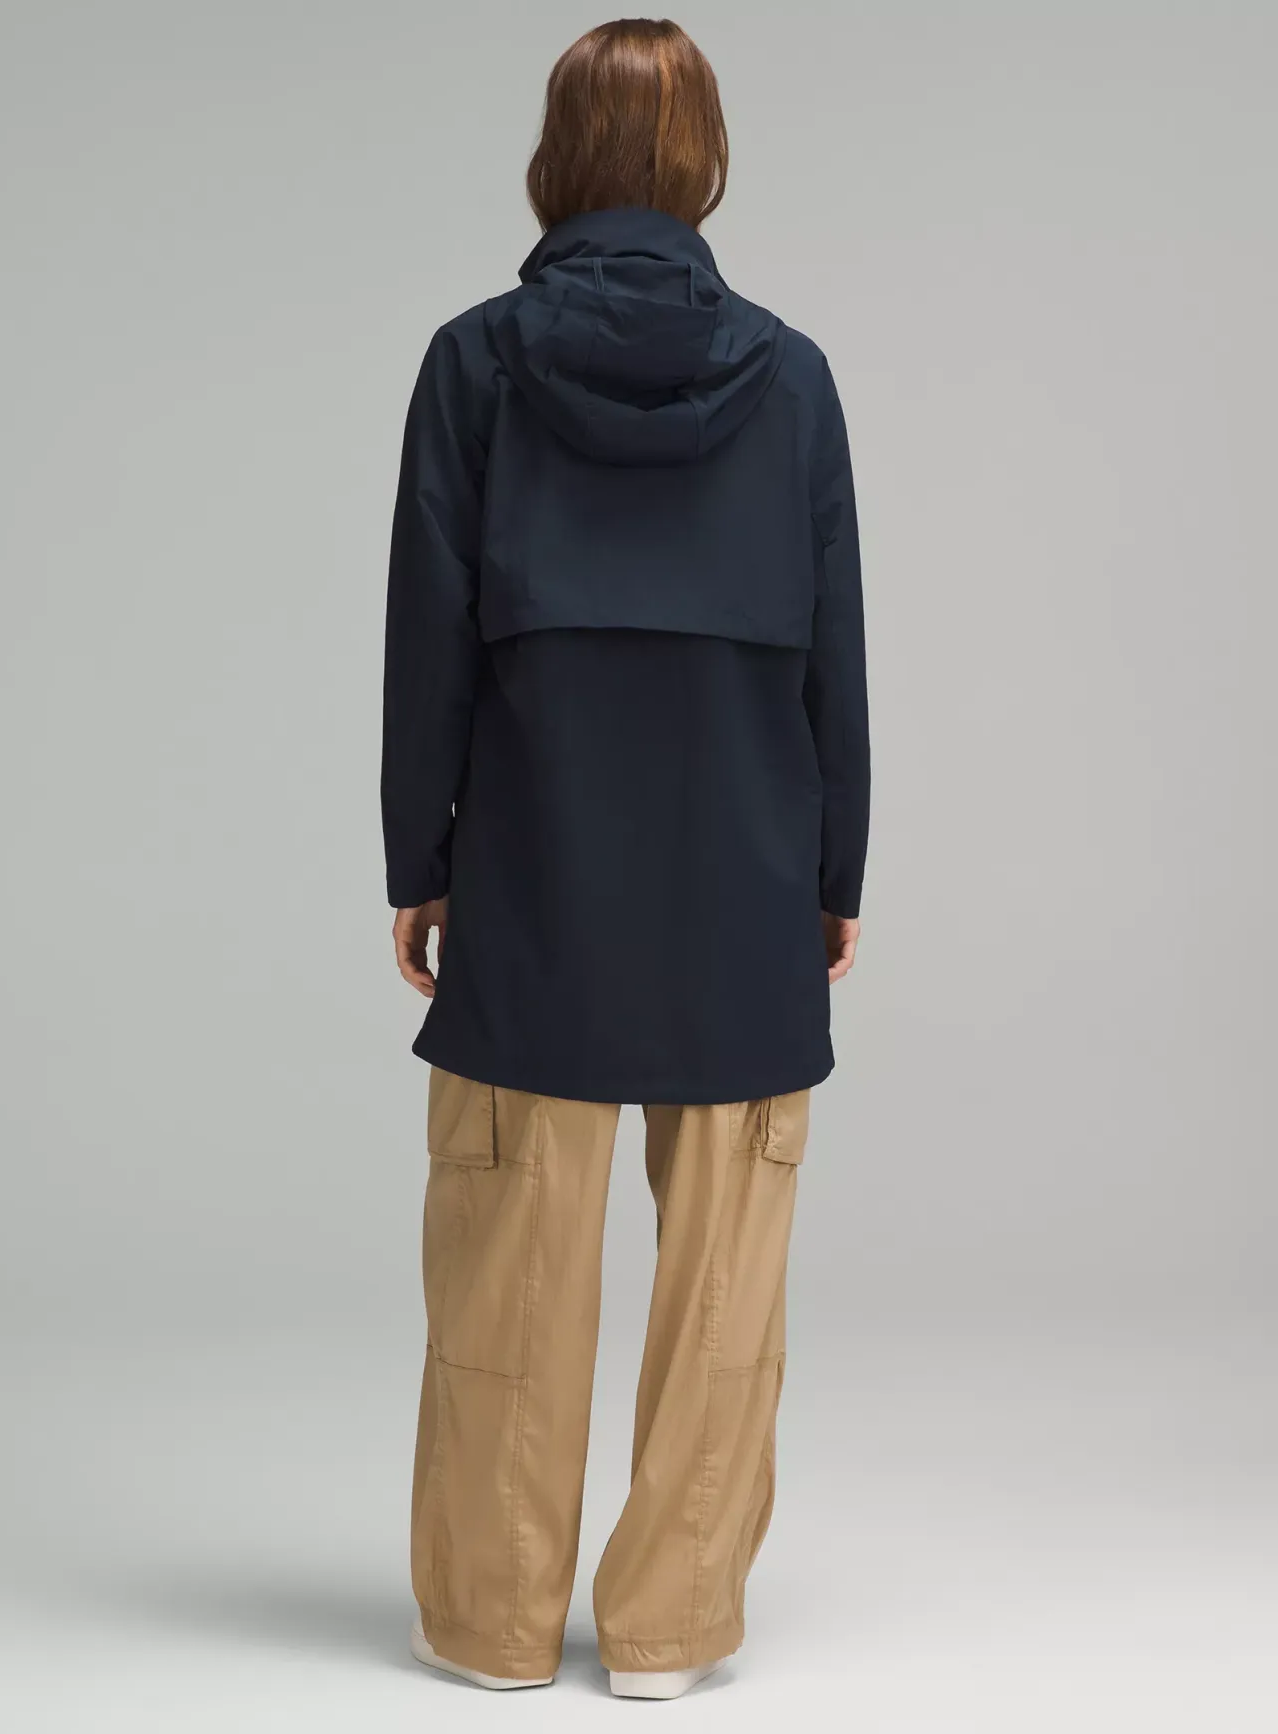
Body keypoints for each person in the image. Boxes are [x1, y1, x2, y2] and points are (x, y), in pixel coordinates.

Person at [381, 17, 869, 1701]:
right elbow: (836, 648)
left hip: (536, 870)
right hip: (747, 871)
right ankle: (669, 1629)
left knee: (507, 1264)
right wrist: (838, 873)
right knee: (726, 1287)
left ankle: (492, 1623)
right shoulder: (792, 379)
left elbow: (428, 640)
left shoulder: (473, 364)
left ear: (556, 158)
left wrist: (419, 857)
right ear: (705, 162)